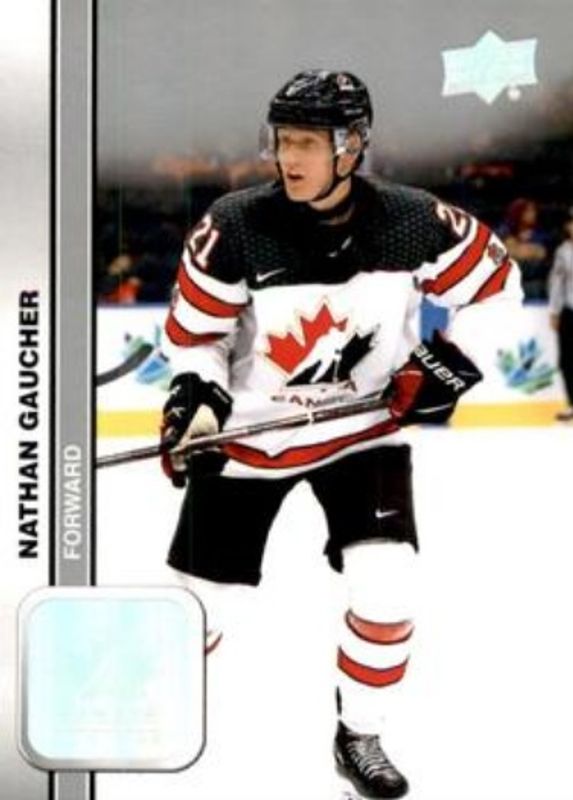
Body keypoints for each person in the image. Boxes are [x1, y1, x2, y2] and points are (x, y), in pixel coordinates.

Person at [159, 69, 522, 799]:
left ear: (351, 146)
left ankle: (360, 732)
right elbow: (196, 337)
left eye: (305, 142)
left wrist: (446, 365)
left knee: (387, 588)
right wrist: (196, 398)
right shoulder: (234, 226)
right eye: (281, 140)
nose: (286, 157)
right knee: (195, 607)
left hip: (363, 434)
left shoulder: (413, 220)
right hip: (251, 440)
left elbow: (496, 289)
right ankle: (154, 704)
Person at [497, 197, 549, 300]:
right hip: (508, 285)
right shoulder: (503, 233)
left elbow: (541, 253)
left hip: (534, 284)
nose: (533, 214)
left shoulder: (541, 235)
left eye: (534, 210)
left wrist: (516, 249)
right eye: (528, 211)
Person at [548, 211, 573, 421]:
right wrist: (554, 311)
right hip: (570, 311)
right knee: (567, 360)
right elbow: (557, 283)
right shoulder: (563, 251)